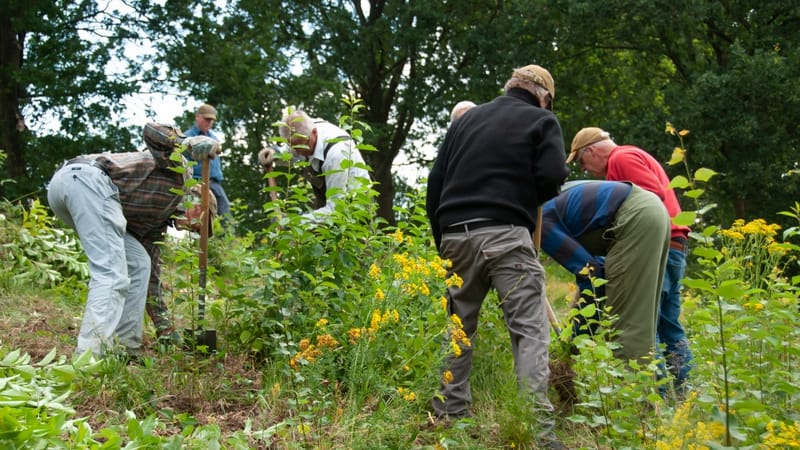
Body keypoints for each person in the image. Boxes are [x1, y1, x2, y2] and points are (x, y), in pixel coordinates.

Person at [426, 65, 569, 450]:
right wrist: (523, 195)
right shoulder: (542, 120)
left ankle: (450, 415)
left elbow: (435, 183)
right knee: (528, 330)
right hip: (506, 234)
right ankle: (538, 431)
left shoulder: (465, 122)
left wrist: (445, 241)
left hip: (455, 233)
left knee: (459, 328)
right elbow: (553, 175)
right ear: (544, 96)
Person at [47, 123, 218, 357]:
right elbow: (153, 131)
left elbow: (151, 281)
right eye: (200, 224)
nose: (194, 230)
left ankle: (127, 349)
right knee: (111, 273)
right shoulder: (181, 173)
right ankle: (89, 358)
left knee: (139, 264)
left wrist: (165, 329)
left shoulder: (155, 224)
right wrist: (185, 142)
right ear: (198, 204)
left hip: (78, 192)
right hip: (87, 178)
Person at [566, 127, 693, 389]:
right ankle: (683, 394)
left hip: (658, 246)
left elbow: (650, 200)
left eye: (581, 162)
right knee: (668, 326)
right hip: (675, 244)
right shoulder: (627, 157)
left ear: (592, 150)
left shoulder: (621, 158)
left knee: (643, 324)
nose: (584, 169)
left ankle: (656, 396)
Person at [540, 180, 671, 362]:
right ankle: (656, 380)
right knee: (640, 320)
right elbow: (599, 268)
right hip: (650, 210)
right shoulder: (548, 199)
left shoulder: (540, 221)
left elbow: (590, 274)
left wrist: (575, 342)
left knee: (626, 327)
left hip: (635, 217)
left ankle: (632, 379)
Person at [258, 110, 370, 219]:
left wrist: (295, 223)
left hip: (355, 206)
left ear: (314, 133)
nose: (297, 153)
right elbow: (288, 153)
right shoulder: (303, 130)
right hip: (328, 204)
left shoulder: (337, 154)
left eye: (301, 147)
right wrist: (273, 153)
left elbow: (336, 210)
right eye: (293, 147)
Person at [184, 104, 231, 223]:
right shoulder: (188, 137)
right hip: (196, 183)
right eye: (207, 119)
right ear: (197, 117)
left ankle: (226, 236)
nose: (209, 122)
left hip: (215, 183)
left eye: (212, 120)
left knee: (225, 215)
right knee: (195, 217)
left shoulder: (213, 137)